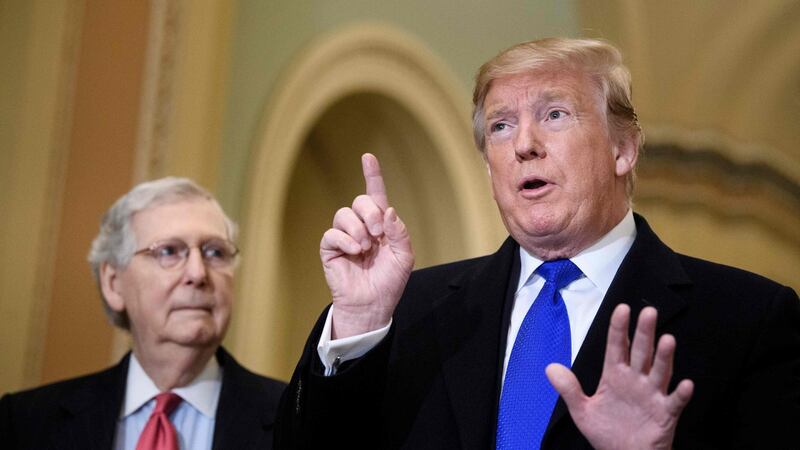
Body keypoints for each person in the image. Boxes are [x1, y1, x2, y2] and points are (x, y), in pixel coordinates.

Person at [275, 38, 800, 449]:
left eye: (554, 115)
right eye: (501, 126)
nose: (524, 144)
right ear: (489, 166)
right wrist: (360, 327)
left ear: (624, 149)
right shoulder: (409, 313)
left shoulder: (748, 319)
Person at [0, 177, 286, 450]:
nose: (198, 273)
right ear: (113, 284)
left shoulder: (294, 420)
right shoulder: (25, 422)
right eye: (169, 251)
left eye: (215, 252)